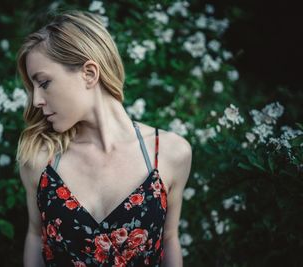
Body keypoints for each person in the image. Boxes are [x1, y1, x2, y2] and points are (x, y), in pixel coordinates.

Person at [15, 9, 192, 267]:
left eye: (43, 83)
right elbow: (35, 237)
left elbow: (169, 238)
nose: (36, 100)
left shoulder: (170, 153)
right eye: (32, 88)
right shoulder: (41, 159)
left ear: (89, 73)